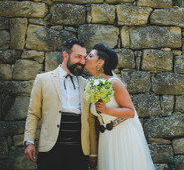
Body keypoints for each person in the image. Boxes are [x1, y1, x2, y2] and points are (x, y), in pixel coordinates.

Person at [23, 38, 97, 170]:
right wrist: (29, 141)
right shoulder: (43, 80)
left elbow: (90, 120)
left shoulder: (87, 84)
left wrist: (93, 152)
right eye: (78, 56)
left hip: (79, 152)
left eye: (84, 57)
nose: (82, 61)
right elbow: (33, 113)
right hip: (50, 150)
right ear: (65, 55)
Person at [85, 43, 155, 170]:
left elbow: (130, 112)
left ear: (100, 62)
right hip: (105, 137)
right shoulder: (91, 83)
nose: (85, 57)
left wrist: (107, 110)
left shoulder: (114, 83)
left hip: (121, 134)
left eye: (90, 55)